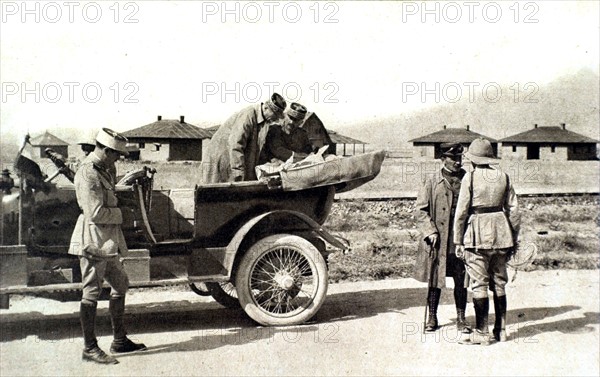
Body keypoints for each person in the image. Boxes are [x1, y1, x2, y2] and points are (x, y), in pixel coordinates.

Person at [68, 128, 146, 364]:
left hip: (108, 242)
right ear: (103, 149)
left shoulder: (103, 170)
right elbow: (95, 212)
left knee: (120, 284)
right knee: (91, 291)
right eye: (115, 154)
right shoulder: (89, 173)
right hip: (94, 240)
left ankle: (119, 341)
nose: (117, 159)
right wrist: (124, 213)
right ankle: (89, 348)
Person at [453, 138, 520, 345]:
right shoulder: (504, 177)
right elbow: (514, 211)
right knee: (499, 284)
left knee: (479, 284)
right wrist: (513, 238)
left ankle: (482, 333)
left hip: (476, 236)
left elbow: (461, 212)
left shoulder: (470, 178)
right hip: (502, 235)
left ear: (472, 159)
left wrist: (458, 240)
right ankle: (501, 330)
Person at [413, 143, 471, 333]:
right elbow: (420, 210)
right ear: (442, 159)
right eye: (453, 158)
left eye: (459, 158)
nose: (457, 162)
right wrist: (430, 231)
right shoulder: (431, 181)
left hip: (460, 240)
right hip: (438, 239)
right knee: (435, 280)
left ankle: (461, 319)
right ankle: (432, 317)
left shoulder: (467, 179)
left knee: (462, 280)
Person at [202, 93, 286, 183]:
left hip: (233, 161)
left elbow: (257, 149)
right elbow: (235, 144)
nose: (276, 119)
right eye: (275, 114)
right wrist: (238, 173)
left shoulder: (265, 123)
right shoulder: (248, 114)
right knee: (217, 189)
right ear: (265, 108)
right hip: (221, 158)